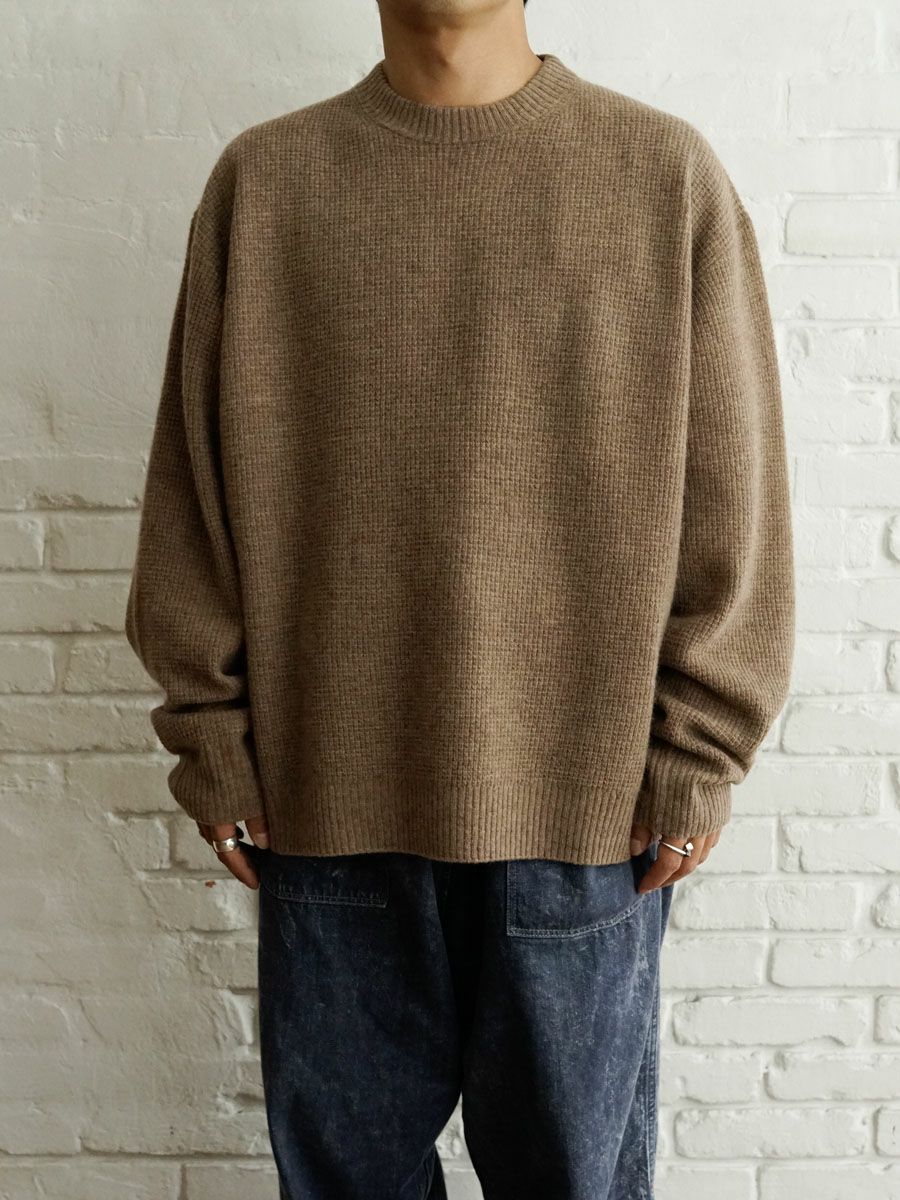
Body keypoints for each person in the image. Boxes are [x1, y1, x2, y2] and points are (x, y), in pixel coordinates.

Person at [124, 0, 795, 1196]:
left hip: (586, 821)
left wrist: (700, 753)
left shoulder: (662, 177)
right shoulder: (265, 186)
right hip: (325, 813)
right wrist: (211, 746)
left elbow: (731, 499)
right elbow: (192, 497)